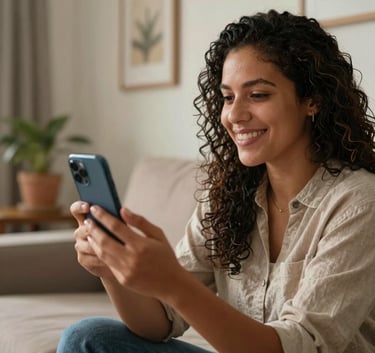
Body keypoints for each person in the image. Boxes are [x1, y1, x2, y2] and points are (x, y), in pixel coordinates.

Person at [57, 9, 375, 353]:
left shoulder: (358, 202)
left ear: (312, 100)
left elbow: (301, 347)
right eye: (227, 97)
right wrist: (110, 268)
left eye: (258, 95)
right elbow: (160, 322)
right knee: (88, 338)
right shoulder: (227, 196)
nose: (235, 115)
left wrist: (175, 283)